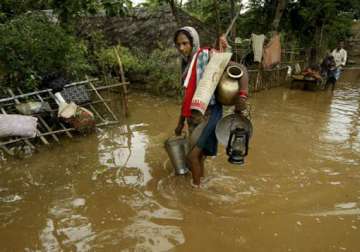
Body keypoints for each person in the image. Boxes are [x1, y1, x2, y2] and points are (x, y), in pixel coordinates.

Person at [173, 26, 249, 186]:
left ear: (193, 42)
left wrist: (242, 95)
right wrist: (180, 123)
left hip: (209, 115)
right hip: (193, 117)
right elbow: (186, 96)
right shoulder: (185, 64)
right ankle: (202, 183)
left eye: (185, 43)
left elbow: (241, 69)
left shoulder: (207, 56)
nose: (181, 48)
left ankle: (197, 193)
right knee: (198, 157)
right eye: (178, 44)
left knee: (191, 157)